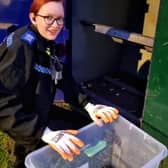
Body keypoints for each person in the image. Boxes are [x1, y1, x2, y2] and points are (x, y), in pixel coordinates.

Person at [0, 0, 119, 167]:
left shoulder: (45, 42)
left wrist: (89, 105)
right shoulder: (20, 47)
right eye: (48, 18)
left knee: (84, 127)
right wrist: (44, 133)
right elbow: (3, 103)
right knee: (29, 161)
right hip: (26, 120)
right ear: (33, 18)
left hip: (42, 110)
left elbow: (61, 76)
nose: (56, 25)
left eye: (60, 19)